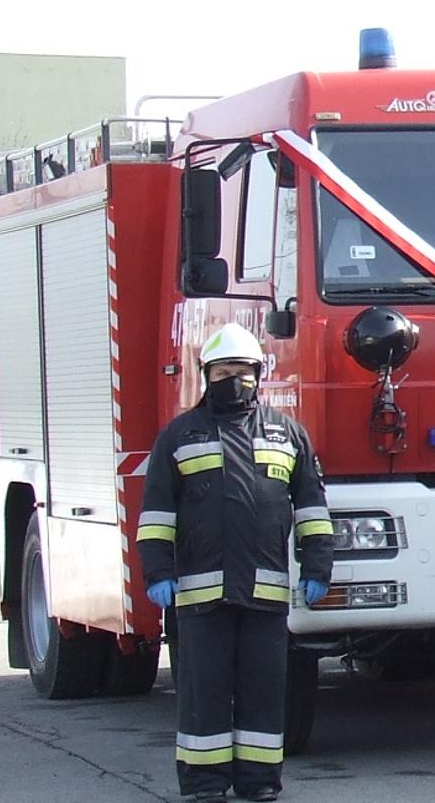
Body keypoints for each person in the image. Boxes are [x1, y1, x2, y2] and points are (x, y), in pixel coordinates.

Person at [136, 324, 334, 802]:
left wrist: (317, 567)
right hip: (202, 597)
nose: (234, 379)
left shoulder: (287, 434)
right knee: (204, 693)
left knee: (264, 693)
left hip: (265, 595)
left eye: (242, 370)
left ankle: (260, 782)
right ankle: (205, 784)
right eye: (223, 370)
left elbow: (311, 505)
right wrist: (158, 572)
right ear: (206, 375)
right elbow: (157, 512)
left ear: (259, 374)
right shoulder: (180, 436)